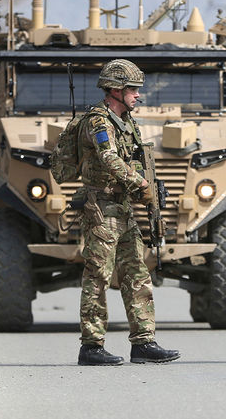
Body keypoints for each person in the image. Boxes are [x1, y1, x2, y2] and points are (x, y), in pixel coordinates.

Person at [71, 58, 179, 366]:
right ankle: (91, 346)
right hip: (101, 209)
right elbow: (109, 159)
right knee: (98, 275)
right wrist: (141, 183)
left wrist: (149, 188)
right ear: (115, 90)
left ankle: (143, 342)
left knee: (137, 272)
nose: (138, 95)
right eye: (133, 89)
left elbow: (134, 159)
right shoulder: (98, 121)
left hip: (123, 207)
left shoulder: (126, 122)